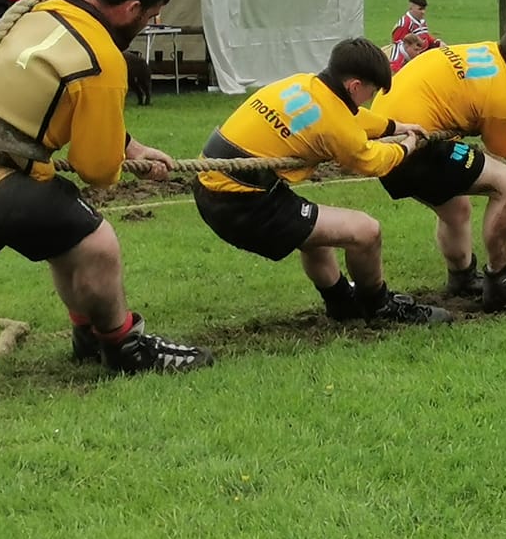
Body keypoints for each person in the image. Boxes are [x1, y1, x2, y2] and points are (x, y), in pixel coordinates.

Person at [0, 0, 210, 374]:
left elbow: (41, 95)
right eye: (150, 18)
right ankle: (125, 347)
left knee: (64, 235)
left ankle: (89, 332)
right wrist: (115, 157)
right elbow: (97, 170)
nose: (148, 28)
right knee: (97, 244)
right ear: (131, 10)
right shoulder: (103, 57)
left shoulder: (46, 5)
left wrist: (131, 147)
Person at [192, 37, 449, 326]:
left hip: (213, 183)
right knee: (367, 231)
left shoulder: (304, 83)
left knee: (318, 235)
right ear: (354, 86)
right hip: (241, 203)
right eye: (371, 91)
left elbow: (350, 118)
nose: (370, 97)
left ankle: (341, 303)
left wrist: (394, 126)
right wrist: (407, 145)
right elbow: (372, 161)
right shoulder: (335, 124)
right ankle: (379, 307)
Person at [365, 19, 506, 311]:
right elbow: (501, 146)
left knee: (456, 207)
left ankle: (461, 278)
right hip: (417, 146)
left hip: (391, 136)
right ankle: (504, 282)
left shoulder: (488, 52)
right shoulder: (501, 93)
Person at [388, 0, 433, 69]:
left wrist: (436, 42)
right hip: (411, 62)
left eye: (424, 9)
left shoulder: (422, 21)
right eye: (420, 9)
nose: (423, 12)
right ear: (411, 8)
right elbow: (398, 46)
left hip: (422, 56)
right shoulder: (404, 24)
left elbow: (425, 36)